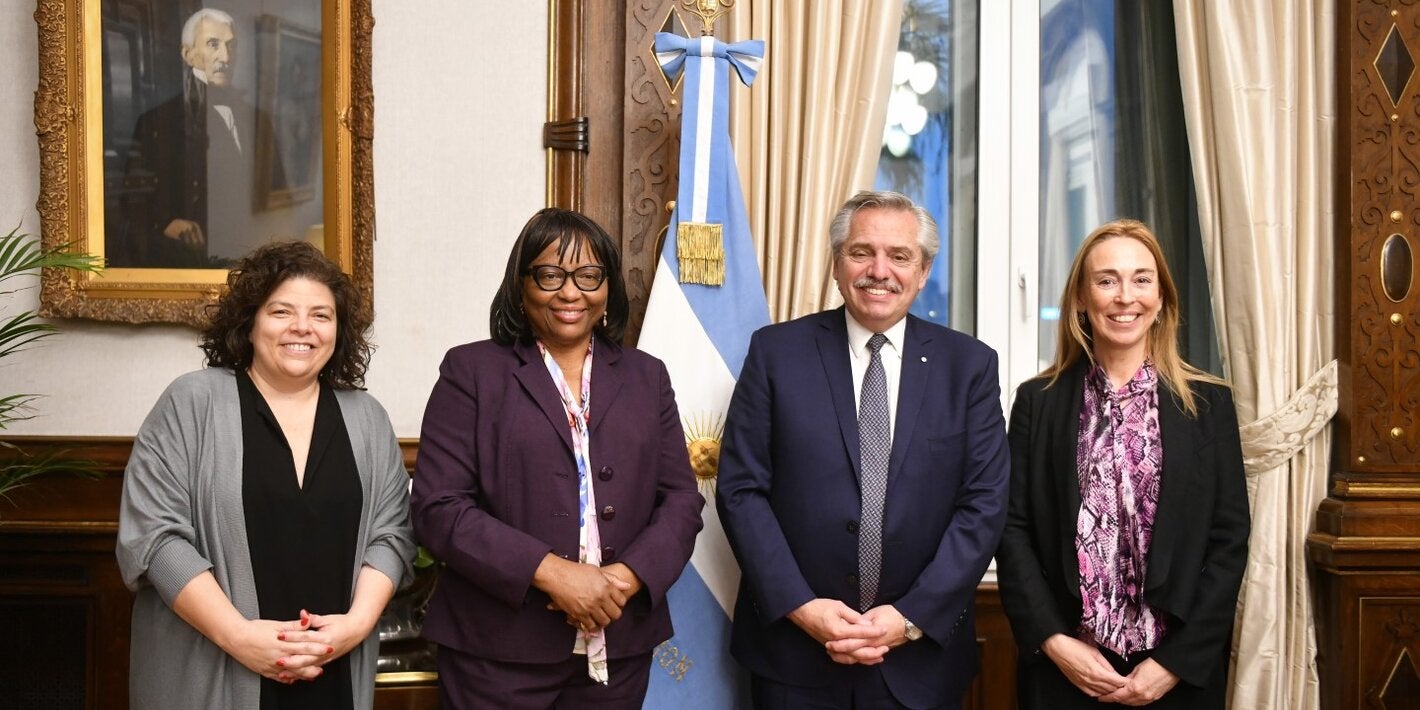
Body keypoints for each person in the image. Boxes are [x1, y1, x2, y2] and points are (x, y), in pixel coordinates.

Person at [717, 190, 1010, 709]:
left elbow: (984, 505)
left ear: (923, 271)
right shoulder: (775, 353)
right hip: (793, 658)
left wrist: (910, 618)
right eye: (861, 252)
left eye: (900, 256)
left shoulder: (969, 367)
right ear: (836, 264)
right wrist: (802, 607)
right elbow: (741, 491)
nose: (879, 271)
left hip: (920, 664)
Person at [411, 207, 705, 708]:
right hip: (497, 653)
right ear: (521, 284)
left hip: (619, 646)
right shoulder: (471, 371)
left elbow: (680, 499)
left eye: (589, 275)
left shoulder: (647, 376)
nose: (571, 292)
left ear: (608, 287)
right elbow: (439, 508)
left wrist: (622, 580)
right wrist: (553, 573)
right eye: (550, 275)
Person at [116, 240, 416, 709]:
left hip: (332, 669)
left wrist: (355, 626)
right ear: (250, 322)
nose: (303, 327)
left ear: (339, 330)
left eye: (321, 315)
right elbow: (155, 538)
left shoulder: (368, 419)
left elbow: (392, 535)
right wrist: (240, 638)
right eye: (281, 312)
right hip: (215, 667)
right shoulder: (191, 403)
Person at [995, 219, 1249, 708]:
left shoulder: (1209, 405)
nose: (1125, 297)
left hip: (1178, 676)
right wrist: (1055, 642)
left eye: (1141, 279)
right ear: (1080, 299)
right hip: (1065, 673)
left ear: (1161, 297)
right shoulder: (1037, 402)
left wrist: (1176, 663)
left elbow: (1229, 540)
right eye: (1106, 280)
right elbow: (1012, 529)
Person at [115, 8, 276, 267]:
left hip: (245, 255)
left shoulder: (257, 118)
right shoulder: (156, 122)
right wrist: (166, 223)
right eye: (213, 44)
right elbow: (132, 202)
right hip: (183, 261)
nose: (225, 56)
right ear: (188, 55)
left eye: (231, 46)